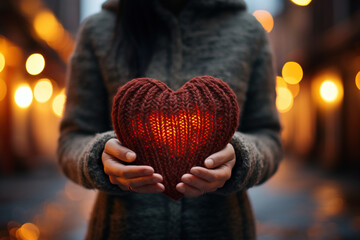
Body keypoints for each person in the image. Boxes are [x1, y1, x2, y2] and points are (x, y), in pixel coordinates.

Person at [57, 0, 282, 239]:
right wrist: (99, 157)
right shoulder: (99, 29)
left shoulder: (248, 31)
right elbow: (72, 138)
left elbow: (269, 136)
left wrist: (241, 157)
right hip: (122, 230)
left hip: (223, 229)